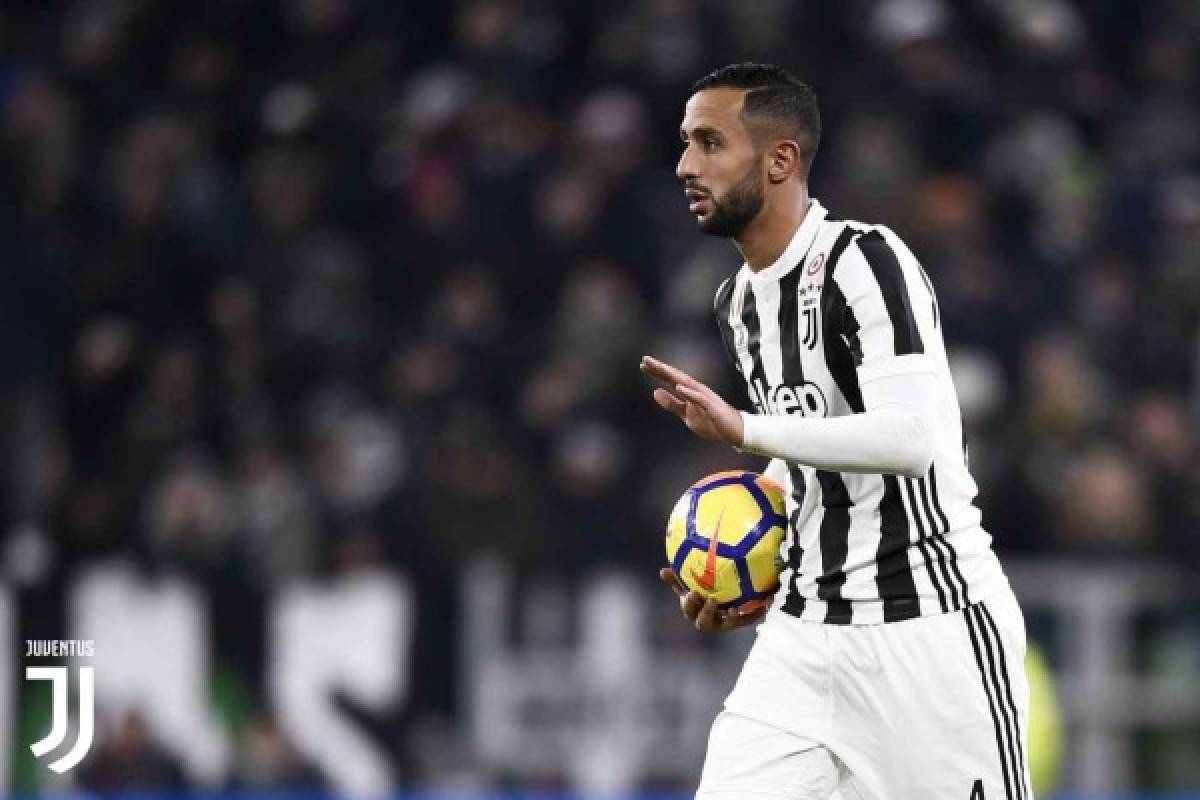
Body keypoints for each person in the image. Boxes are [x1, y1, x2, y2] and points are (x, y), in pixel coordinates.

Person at [641, 63, 1031, 800]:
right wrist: (743, 565)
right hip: (802, 636)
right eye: (687, 143)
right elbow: (804, 447)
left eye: (710, 143)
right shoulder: (736, 303)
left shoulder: (865, 260)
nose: (687, 165)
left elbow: (911, 440)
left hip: (927, 629)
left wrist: (746, 429)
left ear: (780, 159)